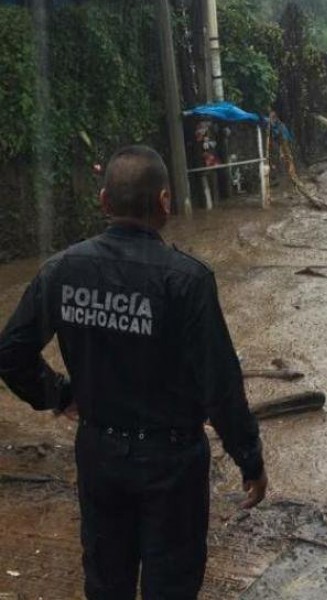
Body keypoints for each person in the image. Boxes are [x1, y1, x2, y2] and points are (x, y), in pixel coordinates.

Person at [0, 145, 268, 599]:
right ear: (165, 202)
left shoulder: (62, 270)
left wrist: (59, 395)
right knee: (173, 585)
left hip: (99, 453)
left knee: (107, 583)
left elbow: (10, 353)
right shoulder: (188, 280)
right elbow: (220, 386)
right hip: (173, 463)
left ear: (104, 203)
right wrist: (250, 459)